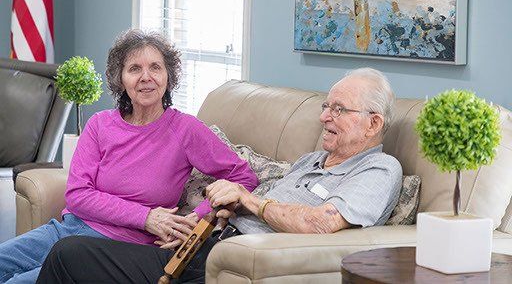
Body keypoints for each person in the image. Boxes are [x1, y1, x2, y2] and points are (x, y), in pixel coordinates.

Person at [36, 68, 403, 284]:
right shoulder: (312, 160)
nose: (324, 116)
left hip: (231, 258)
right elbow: (254, 199)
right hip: (203, 242)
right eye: (326, 106)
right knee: (64, 255)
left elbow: (324, 223)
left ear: (373, 123)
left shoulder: (379, 170)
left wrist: (248, 201)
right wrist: (216, 213)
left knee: (68, 255)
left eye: (339, 109)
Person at [0, 29, 258, 283]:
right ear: (121, 79)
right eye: (134, 69)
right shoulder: (100, 124)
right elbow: (78, 195)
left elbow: (242, 177)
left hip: (121, 249)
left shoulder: (185, 130)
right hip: (68, 231)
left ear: (168, 76)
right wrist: (146, 217)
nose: (146, 77)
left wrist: (197, 218)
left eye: (155, 68)